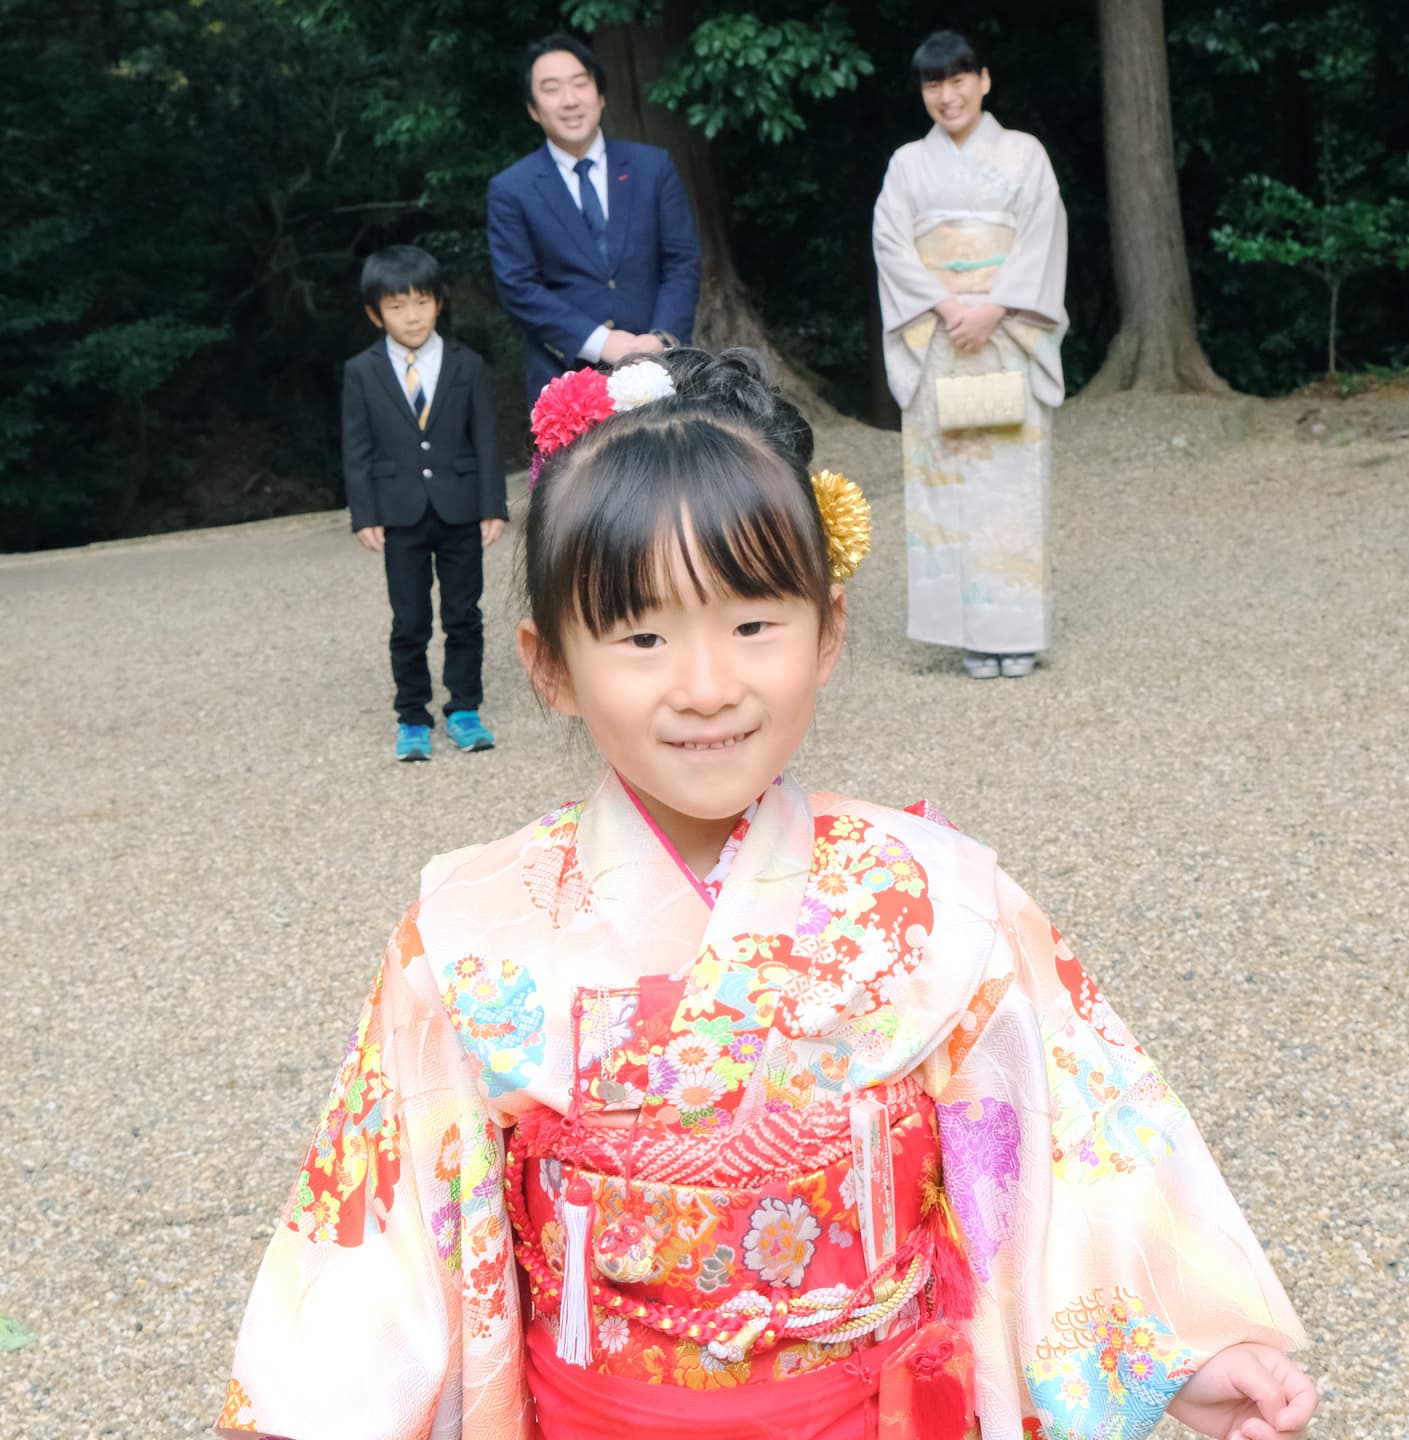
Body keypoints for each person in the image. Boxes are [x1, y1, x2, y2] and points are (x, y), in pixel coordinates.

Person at [218, 349, 1315, 1440]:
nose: (707, 686)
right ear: (548, 662)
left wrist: (1187, 1352)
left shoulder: (937, 902)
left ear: (830, 629)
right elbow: (391, 1239)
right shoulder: (466, 935)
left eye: (753, 624)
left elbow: (1066, 1140)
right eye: (641, 636)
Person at [873, 30, 1069, 680]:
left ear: (984, 80)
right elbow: (891, 245)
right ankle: (965, 634)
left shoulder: (1024, 154)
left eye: (959, 80)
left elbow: (1043, 234)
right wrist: (949, 304)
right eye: (935, 84)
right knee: (947, 484)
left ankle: (1015, 629)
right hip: (939, 339)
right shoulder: (907, 164)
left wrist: (995, 305)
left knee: (1008, 486)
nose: (948, 94)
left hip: (1007, 334)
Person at [342, 244, 508, 761]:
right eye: (396, 305)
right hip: (399, 514)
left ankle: (464, 708)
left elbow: (485, 438)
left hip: (460, 509)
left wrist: (493, 504)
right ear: (375, 314)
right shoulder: (362, 371)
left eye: (420, 301)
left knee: (464, 614)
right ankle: (412, 714)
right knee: (408, 619)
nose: (410, 315)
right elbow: (357, 447)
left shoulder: (467, 363)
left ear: (439, 302)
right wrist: (364, 513)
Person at [487, 32, 702, 406]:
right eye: (551, 89)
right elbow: (518, 286)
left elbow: (681, 262)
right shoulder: (511, 189)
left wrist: (660, 339)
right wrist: (603, 343)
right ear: (533, 109)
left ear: (600, 96)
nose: (569, 101)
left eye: (580, 84)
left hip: (665, 368)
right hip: (565, 377)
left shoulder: (653, 167)